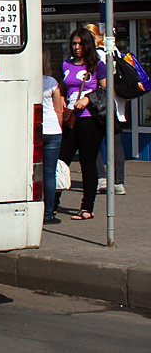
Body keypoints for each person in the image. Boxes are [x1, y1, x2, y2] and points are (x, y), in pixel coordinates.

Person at [57, 27, 107, 220]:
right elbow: (62, 87)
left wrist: (87, 99)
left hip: (90, 119)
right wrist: (60, 100)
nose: (76, 47)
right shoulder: (66, 64)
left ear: (88, 45)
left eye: (80, 44)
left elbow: (105, 90)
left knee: (87, 162)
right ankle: (52, 205)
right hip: (70, 119)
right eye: (74, 44)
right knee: (62, 161)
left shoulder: (97, 66)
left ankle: (87, 207)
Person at [84, 23, 128, 195]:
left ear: (95, 37)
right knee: (115, 143)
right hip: (116, 104)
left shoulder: (95, 56)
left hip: (99, 105)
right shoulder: (114, 51)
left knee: (93, 142)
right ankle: (118, 182)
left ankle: (101, 179)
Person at [42, 54, 66, 225]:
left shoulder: (27, 80)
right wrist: (60, 128)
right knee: (50, 173)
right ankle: (48, 213)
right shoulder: (51, 83)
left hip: (35, 129)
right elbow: (58, 110)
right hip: (52, 130)